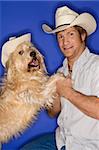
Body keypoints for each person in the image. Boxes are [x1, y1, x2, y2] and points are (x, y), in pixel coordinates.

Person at [21, 5, 99, 150]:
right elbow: (52, 113)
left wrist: (68, 92)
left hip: (88, 145)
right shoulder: (60, 72)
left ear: (82, 36)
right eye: (60, 36)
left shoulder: (96, 66)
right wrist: (55, 94)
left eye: (70, 34)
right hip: (61, 140)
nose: (65, 42)